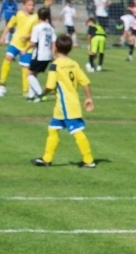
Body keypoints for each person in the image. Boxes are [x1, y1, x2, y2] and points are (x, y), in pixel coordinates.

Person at [31, 35, 97, 168]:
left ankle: (89, 160)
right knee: (53, 129)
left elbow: (50, 85)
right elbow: (85, 82)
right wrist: (89, 98)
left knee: (77, 131)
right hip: (64, 105)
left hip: (66, 105)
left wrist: (41, 94)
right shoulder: (74, 64)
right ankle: (46, 159)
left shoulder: (55, 65)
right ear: (70, 48)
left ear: (55, 48)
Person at [0, 0, 38, 96]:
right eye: (29, 5)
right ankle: (2, 80)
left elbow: (36, 32)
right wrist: (2, 36)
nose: (31, 7)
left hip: (27, 46)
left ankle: (25, 90)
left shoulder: (36, 17)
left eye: (33, 5)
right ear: (24, 5)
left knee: (25, 67)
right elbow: (9, 25)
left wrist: (27, 36)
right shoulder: (18, 14)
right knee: (8, 57)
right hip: (15, 42)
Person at [27, 6, 58, 101]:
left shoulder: (37, 28)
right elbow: (54, 43)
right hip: (47, 55)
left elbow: (33, 42)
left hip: (39, 55)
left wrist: (24, 49)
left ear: (38, 16)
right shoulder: (51, 28)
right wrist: (52, 54)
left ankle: (40, 94)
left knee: (29, 75)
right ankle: (31, 97)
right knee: (34, 74)